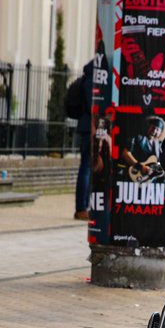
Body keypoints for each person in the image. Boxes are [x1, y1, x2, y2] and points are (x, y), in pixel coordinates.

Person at [68, 59, 96, 220]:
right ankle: (81, 207)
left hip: (87, 127)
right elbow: (92, 105)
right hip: (88, 128)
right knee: (85, 167)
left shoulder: (88, 77)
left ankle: (85, 205)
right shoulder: (92, 80)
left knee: (88, 167)